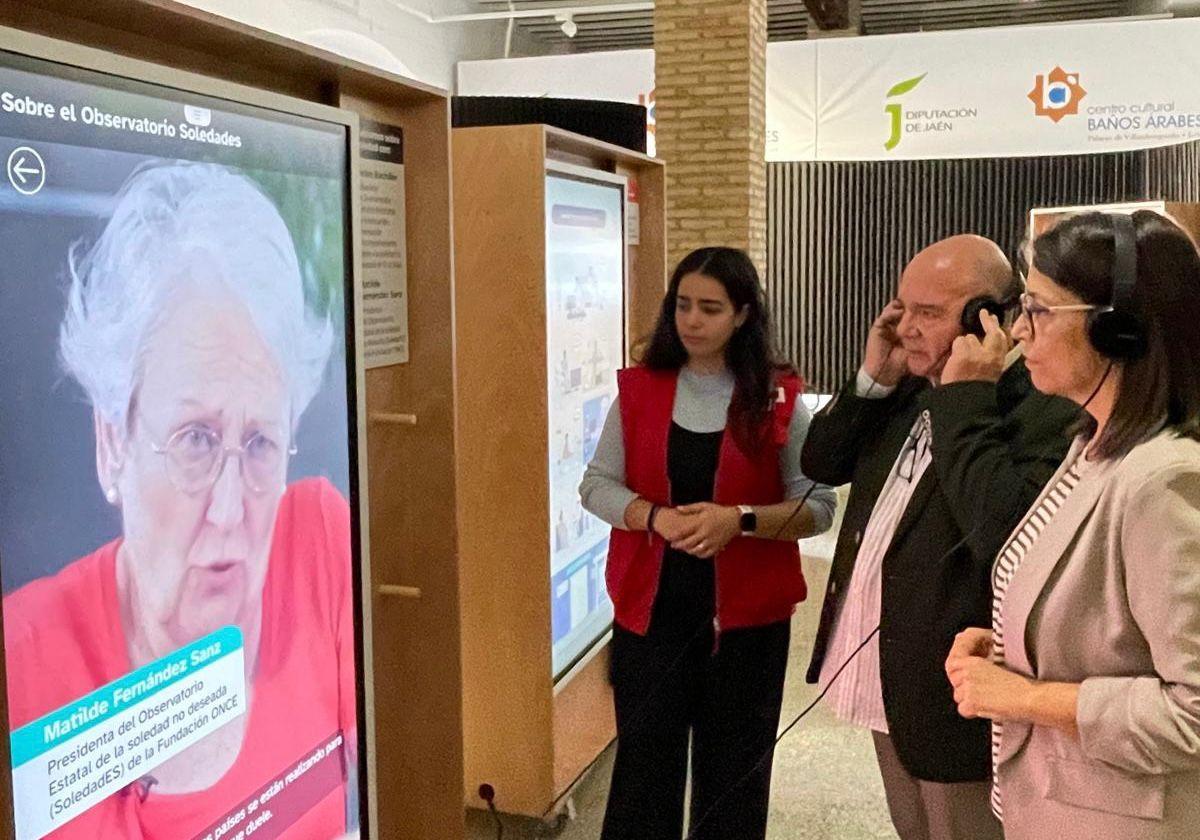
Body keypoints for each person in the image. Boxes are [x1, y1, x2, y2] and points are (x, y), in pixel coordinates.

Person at [3, 162, 359, 838]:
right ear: (113, 444)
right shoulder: (23, 661)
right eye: (195, 441)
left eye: (258, 444)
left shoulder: (315, 542)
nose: (230, 510)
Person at [801, 235, 1079, 840]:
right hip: (886, 670)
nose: (907, 329)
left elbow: (1004, 529)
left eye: (928, 313)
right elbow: (820, 463)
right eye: (902, 308)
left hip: (956, 691)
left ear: (990, 317)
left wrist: (965, 396)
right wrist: (872, 379)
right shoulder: (902, 382)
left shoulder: (1041, 404)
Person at [946, 210, 1200, 840]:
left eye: (1038, 309)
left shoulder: (1161, 480)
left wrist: (1019, 696)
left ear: (1118, 332)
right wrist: (1011, 642)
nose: (1018, 331)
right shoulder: (1090, 447)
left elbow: (1194, 711)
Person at [579, 246, 837, 840]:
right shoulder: (640, 391)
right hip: (652, 619)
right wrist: (652, 517)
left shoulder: (776, 400)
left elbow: (817, 507)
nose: (691, 321)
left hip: (747, 627)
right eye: (683, 305)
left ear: (743, 315)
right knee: (644, 781)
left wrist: (740, 520)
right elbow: (595, 486)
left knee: (734, 786)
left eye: (711, 308)